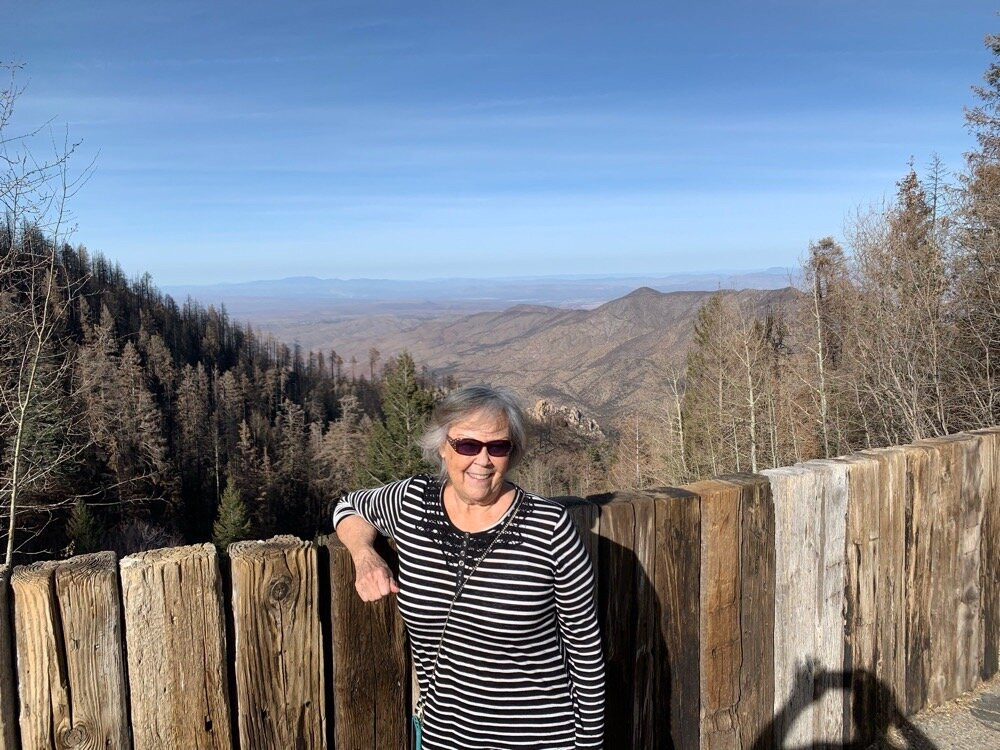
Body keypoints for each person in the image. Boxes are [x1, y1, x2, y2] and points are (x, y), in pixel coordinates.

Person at [334, 384, 604, 749]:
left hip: (539, 738)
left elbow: (584, 650)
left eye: (498, 447)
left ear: (513, 453)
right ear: (443, 446)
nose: (483, 460)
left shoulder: (549, 526)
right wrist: (364, 554)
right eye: (467, 445)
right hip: (444, 739)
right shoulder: (412, 502)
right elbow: (347, 508)